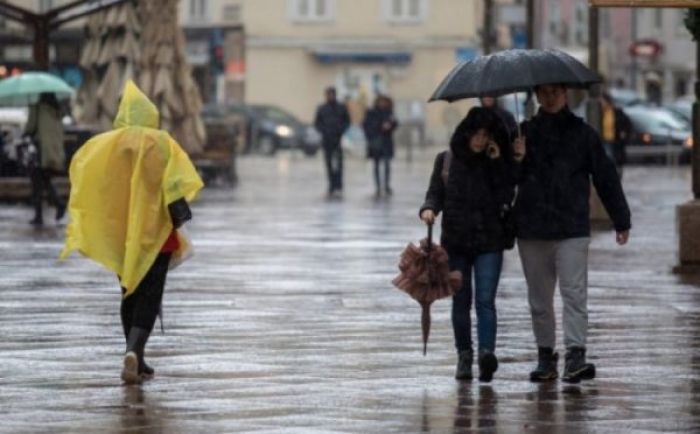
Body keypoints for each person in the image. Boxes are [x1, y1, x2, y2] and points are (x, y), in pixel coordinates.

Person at [60, 81, 203, 384]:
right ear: (150, 115)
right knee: (150, 294)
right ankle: (134, 351)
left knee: (130, 292)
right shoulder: (162, 142)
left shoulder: (108, 145)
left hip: (122, 233)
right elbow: (176, 183)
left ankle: (136, 358)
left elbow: (93, 180)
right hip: (157, 233)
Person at [513, 84, 631, 384]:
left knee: (574, 293)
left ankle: (575, 355)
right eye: (544, 92)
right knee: (539, 300)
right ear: (537, 95)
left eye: (555, 91)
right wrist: (517, 159)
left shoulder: (583, 133)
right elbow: (506, 181)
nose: (550, 97)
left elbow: (605, 176)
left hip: (572, 228)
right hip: (532, 228)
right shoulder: (522, 134)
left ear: (565, 93)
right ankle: (545, 356)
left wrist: (621, 218)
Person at [419, 107, 518, 382]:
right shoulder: (447, 160)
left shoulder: (496, 161)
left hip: (490, 241)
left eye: (485, 135)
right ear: (465, 133)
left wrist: (503, 162)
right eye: (476, 134)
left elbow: (508, 193)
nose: (480, 140)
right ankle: (464, 355)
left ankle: (487, 353)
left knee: (485, 301)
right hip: (457, 242)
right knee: (461, 302)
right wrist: (428, 209)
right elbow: (435, 193)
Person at [25, 92, 66, 226]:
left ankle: (41, 215)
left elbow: (30, 128)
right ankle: (57, 204)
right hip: (54, 152)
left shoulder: (38, 108)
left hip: (41, 151)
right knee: (45, 179)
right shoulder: (57, 110)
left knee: (37, 181)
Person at [314, 87, 350, 198]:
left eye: (331, 94)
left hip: (337, 139)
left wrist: (340, 130)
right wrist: (324, 131)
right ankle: (331, 186)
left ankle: (339, 185)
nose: (329, 97)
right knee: (329, 164)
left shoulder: (341, 108)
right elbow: (317, 123)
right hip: (326, 139)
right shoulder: (322, 108)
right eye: (327, 95)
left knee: (339, 164)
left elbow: (347, 121)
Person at [363, 95, 398, 197]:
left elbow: (395, 123)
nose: (382, 104)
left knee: (387, 164)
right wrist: (380, 127)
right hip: (376, 142)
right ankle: (378, 187)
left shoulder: (389, 112)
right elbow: (366, 125)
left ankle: (386, 185)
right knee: (376, 165)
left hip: (387, 142)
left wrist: (390, 125)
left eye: (384, 102)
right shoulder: (371, 112)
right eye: (380, 101)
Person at [601, 93, 632, 178]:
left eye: (603, 101)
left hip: (615, 141)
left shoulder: (617, 112)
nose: (601, 104)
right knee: (608, 160)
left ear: (608, 102)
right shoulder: (599, 113)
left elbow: (627, 124)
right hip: (604, 141)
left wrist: (624, 133)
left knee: (615, 161)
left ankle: (616, 177)